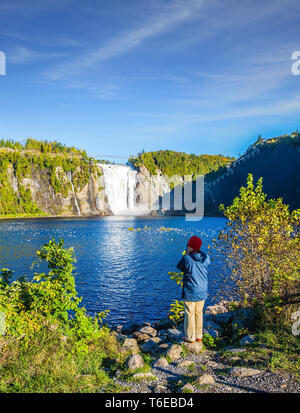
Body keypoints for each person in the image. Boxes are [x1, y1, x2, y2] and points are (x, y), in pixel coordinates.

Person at [177, 236, 210, 343]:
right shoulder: (206, 257)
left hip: (190, 291)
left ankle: (190, 338)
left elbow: (180, 266)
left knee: (189, 314)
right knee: (199, 313)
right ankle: (199, 336)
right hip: (202, 290)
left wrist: (186, 254)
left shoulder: (187, 259)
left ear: (190, 247)